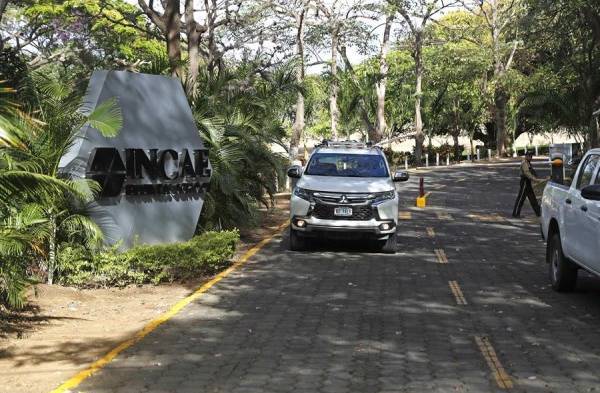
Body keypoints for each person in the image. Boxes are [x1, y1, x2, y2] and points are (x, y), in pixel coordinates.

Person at [512, 151, 543, 218]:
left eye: (531, 156)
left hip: (528, 183)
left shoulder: (528, 163)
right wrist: (536, 180)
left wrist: (537, 178)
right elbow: (527, 173)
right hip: (525, 182)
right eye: (529, 156)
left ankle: (538, 213)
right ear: (526, 156)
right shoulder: (524, 163)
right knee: (521, 198)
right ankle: (516, 213)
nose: (531, 157)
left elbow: (532, 172)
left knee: (533, 199)